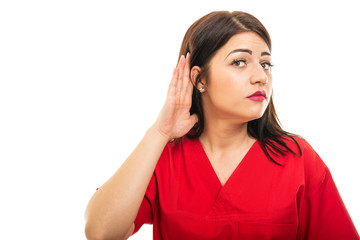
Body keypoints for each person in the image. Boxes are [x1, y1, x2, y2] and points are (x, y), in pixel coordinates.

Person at [84, 11, 359, 240]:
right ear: (199, 78)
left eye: (266, 63)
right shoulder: (165, 156)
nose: (260, 76)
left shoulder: (297, 159)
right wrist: (160, 131)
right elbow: (101, 232)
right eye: (240, 62)